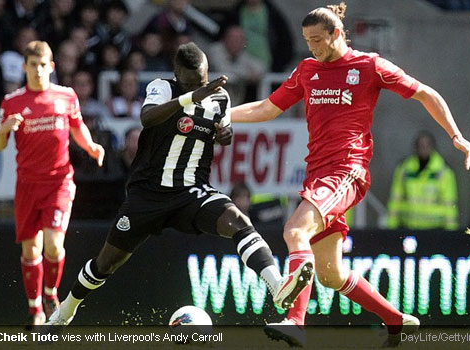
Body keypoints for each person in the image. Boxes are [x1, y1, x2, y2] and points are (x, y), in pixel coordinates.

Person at [231, 3, 470, 347]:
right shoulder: (307, 70)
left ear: (337, 34)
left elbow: (424, 93)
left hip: (347, 172)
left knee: (294, 230)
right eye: (307, 40)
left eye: (317, 39)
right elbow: (266, 108)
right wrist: (224, 114)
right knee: (330, 274)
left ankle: (295, 321)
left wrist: (455, 135)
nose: (312, 47)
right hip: (319, 176)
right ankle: (397, 320)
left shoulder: (369, 65)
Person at [45, 42, 313, 327]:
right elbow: (147, 118)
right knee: (106, 263)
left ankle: (277, 286)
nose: (201, 86)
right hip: (148, 194)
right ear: (178, 75)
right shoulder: (163, 88)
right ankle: (66, 310)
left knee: (238, 220)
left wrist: (225, 134)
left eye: (204, 79)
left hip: (191, 192)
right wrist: (190, 98)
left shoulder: (219, 98)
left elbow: (224, 132)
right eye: (194, 82)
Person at [0, 40, 105, 326]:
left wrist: (91, 147)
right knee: (30, 250)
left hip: (58, 182)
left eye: (43, 65)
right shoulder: (12, 101)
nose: (39, 70)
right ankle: (35, 310)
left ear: (51, 66)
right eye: (33, 65)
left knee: (53, 245)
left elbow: (77, 126)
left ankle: (51, 293)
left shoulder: (66, 96)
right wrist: (4, 129)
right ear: (25, 67)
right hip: (27, 185)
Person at [387, 131, 458, 230]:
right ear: (415, 147)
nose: (424, 148)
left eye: (427, 145)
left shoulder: (443, 171)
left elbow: (449, 204)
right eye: (421, 145)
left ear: (433, 147)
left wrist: (451, 232)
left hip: (435, 229)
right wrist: (391, 226)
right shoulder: (405, 169)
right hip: (408, 226)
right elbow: (395, 200)